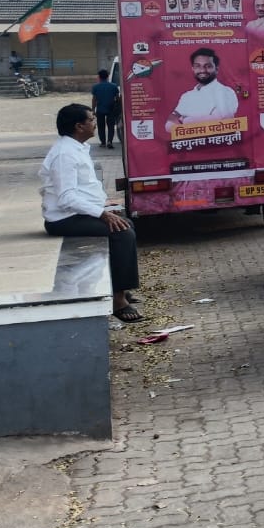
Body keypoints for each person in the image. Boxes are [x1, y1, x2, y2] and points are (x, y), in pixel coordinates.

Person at [40, 103, 145, 323]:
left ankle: (121, 287)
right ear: (79, 126)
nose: (95, 123)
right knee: (122, 233)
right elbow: (66, 197)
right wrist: (102, 214)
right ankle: (118, 301)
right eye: (91, 120)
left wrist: (105, 208)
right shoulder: (64, 154)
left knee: (126, 224)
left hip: (77, 214)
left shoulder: (77, 148)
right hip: (63, 219)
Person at [166, 46, 238, 134]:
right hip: (190, 142)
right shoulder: (186, 96)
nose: (202, 70)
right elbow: (169, 125)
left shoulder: (226, 92)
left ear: (216, 69)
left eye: (208, 66)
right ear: (193, 69)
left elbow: (224, 123)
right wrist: (201, 120)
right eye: (197, 66)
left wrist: (184, 120)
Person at [90, 69, 120, 149]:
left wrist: (93, 110)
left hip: (100, 109)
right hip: (111, 109)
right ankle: (109, 141)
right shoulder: (114, 86)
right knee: (111, 126)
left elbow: (94, 99)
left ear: (99, 77)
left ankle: (103, 142)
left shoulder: (96, 87)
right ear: (107, 76)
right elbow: (118, 99)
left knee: (101, 126)